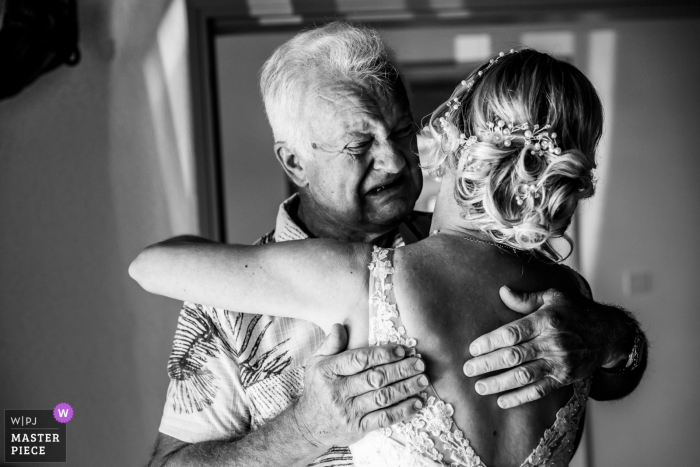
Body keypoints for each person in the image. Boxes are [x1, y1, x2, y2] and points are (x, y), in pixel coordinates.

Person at [139, 23, 646, 467]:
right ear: (295, 164)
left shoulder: (494, 253)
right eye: (359, 147)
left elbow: (609, 380)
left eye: (403, 131)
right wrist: (301, 434)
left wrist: (612, 337)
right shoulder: (223, 307)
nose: (396, 162)